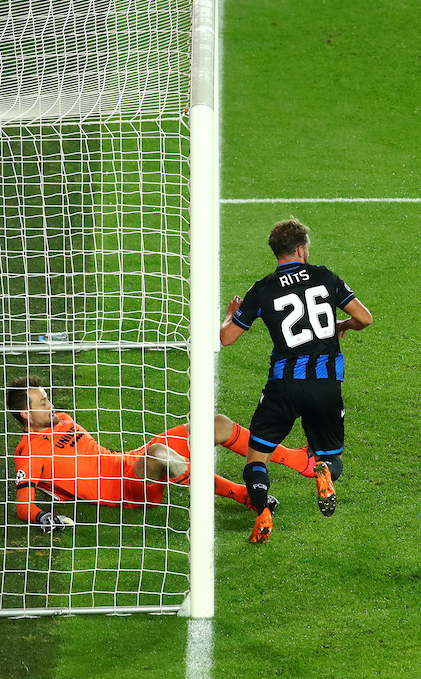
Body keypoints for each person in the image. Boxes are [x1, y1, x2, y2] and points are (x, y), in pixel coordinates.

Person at [220, 218, 374, 543]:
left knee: (256, 457)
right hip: (325, 383)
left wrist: (231, 314)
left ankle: (262, 509)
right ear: (302, 249)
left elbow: (227, 338)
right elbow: (365, 318)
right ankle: (324, 473)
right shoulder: (324, 276)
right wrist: (342, 326)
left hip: (283, 387)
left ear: (276, 252)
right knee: (331, 457)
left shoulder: (261, 289)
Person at [7, 376, 315, 530]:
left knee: (216, 425)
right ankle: (242, 494)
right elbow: (23, 508)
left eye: (47, 399)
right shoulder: (28, 453)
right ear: (24, 414)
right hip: (124, 490)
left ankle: (299, 461)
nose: (51, 406)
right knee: (160, 453)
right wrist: (49, 518)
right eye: (42, 403)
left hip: (129, 461)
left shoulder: (62, 421)